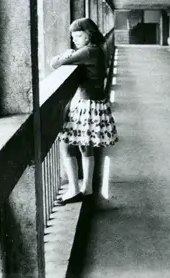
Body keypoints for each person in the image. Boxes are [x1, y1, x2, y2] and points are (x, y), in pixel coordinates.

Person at [50, 18, 119, 205]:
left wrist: (67, 53)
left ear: (88, 35)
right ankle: (87, 188)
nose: (75, 39)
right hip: (94, 102)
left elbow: (54, 63)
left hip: (86, 104)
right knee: (85, 146)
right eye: (73, 36)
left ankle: (73, 189)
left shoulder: (88, 51)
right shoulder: (98, 49)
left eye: (79, 36)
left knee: (65, 144)